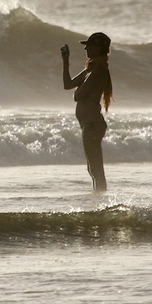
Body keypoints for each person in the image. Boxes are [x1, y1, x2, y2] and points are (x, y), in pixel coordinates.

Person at [61, 32, 113, 191]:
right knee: (92, 169)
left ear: (99, 48)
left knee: (96, 169)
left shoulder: (98, 72)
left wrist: (80, 89)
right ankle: (98, 199)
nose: (86, 49)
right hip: (88, 124)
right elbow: (68, 85)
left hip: (92, 125)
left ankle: (101, 201)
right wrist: (65, 61)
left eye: (90, 46)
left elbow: (78, 95)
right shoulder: (90, 70)